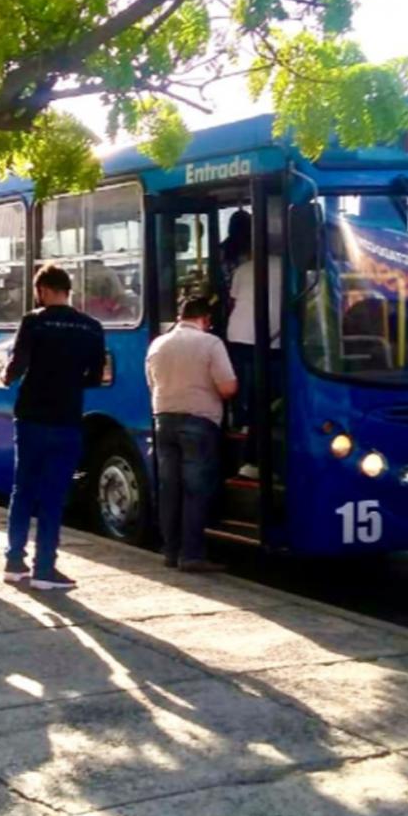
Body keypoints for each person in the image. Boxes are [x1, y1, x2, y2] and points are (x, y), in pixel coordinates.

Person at [2, 264, 105, 590]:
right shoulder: (91, 327)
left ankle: (14, 562)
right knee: (53, 494)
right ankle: (45, 567)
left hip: (31, 416)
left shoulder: (34, 321)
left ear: (43, 290)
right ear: (67, 290)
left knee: (23, 490)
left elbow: (17, 364)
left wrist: (8, 376)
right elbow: (95, 376)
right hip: (66, 418)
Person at [147, 296, 238, 573]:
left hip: (163, 420)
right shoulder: (211, 343)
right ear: (205, 319)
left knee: (169, 490)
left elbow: (151, 383)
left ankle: (170, 551)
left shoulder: (158, 344)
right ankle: (192, 554)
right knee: (195, 491)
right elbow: (228, 388)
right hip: (199, 422)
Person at [226, 210, 282, 479]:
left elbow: (234, 301)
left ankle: (242, 421)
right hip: (271, 340)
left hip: (238, 333)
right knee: (267, 391)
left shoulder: (243, 268)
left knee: (241, 382)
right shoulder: (289, 268)